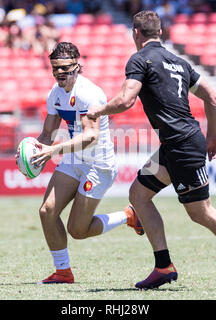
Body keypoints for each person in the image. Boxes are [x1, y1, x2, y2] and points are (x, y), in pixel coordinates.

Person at [87, 10, 216, 290]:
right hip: (176, 144)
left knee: (201, 212)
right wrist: (212, 137)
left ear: (135, 33)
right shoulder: (179, 62)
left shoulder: (139, 59)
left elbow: (126, 100)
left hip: (182, 146)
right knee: (138, 194)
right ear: (160, 33)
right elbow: (211, 97)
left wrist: (98, 111)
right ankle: (163, 266)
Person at [25, 42, 144, 284]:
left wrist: (54, 150)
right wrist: (33, 155)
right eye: (55, 68)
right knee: (47, 211)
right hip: (73, 159)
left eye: (65, 68)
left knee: (78, 230)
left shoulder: (88, 93)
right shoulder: (55, 94)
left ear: (78, 66)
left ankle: (128, 216)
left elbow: (90, 137)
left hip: (97, 165)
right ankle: (63, 272)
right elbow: (47, 134)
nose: (60, 73)